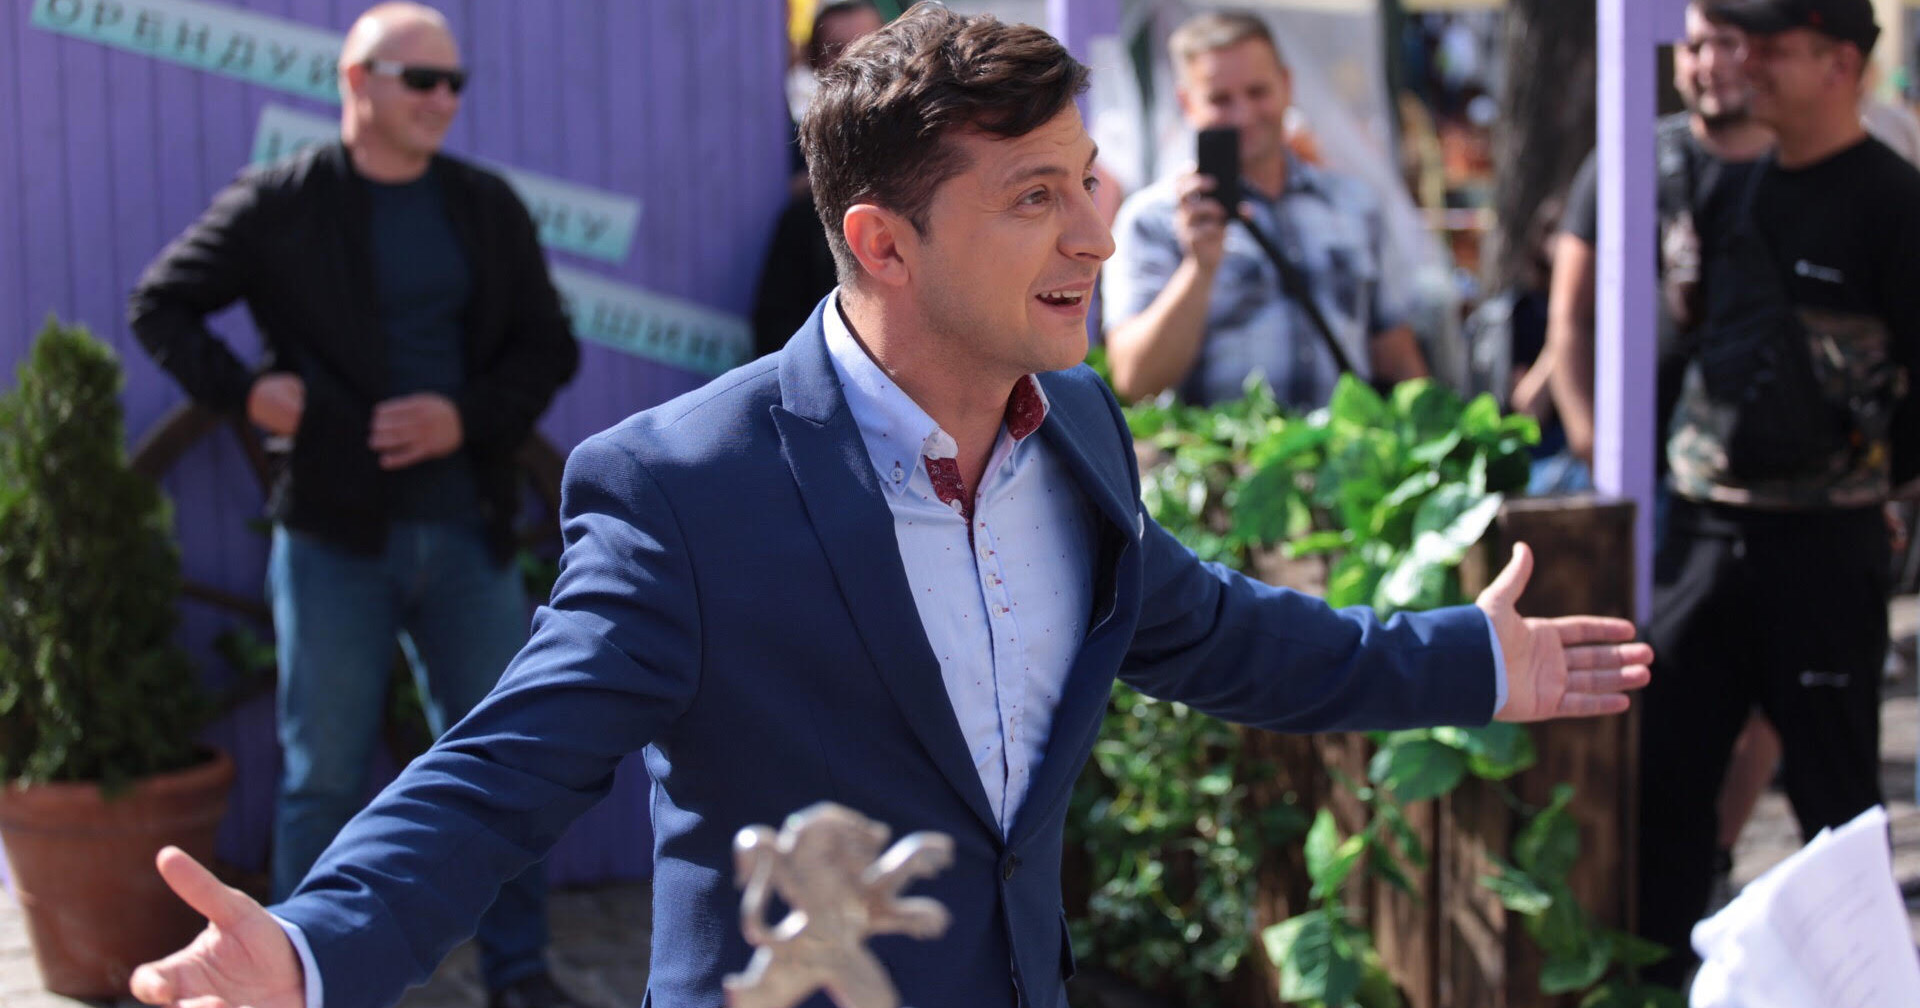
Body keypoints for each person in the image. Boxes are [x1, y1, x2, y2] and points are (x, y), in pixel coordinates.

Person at [129, 8, 1650, 1008]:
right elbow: (502, 772)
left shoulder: (1078, 425)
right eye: (1035, 195)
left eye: (1088, 179)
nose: (1096, 231)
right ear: (882, 242)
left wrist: (1464, 659)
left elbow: (1213, 635)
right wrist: (314, 947)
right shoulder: (686, 490)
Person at [125, 5, 581, 1007]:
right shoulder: (281, 201)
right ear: (356, 81)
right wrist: (247, 392)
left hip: (465, 529)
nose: (443, 100)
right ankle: (295, 980)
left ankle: (519, 973)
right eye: (422, 80)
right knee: (322, 777)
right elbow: (161, 304)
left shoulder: (484, 206)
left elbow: (549, 347)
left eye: (455, 82)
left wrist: (462, 417)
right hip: (332, 533)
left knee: (505, 766)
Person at [1634, 0, 1920, 984]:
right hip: (1704, 536)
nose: (1745, 64)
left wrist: (1868, 480)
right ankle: (1661, 986)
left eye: (1773, 48)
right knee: (1666, 788)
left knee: (1838, 809)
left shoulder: (1893, 202)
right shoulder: (1728, 184)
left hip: (1826, 547)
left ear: (1839, 64)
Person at [1102, 10, 1429, 410]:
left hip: (1343, 447)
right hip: (1219, 449)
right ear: (1187, 103)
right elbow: (1134, 380)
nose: (1243, 115)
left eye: (1257, 92)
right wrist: (1198, 269)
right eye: (1220, 99)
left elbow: (1395, 352)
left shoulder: (1356, 205)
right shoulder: (1151, 219)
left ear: (1287, 86)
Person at [753, 0, 886, 359]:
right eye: (838, 48)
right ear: (814, 65)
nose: (856, 60)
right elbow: (776, 325)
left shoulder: (941, 144)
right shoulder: (787, 162)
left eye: (870, 44)